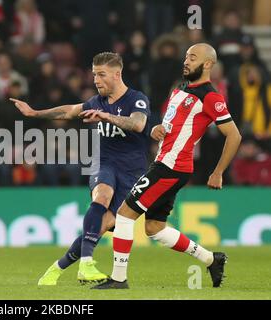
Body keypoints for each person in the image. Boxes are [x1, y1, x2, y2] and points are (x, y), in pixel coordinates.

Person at [92, 43, 242, 290]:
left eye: (192, 58)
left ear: (207, 64)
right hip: (165, 163)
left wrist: (218, 172)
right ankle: (211, 259)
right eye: (186, 56)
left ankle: (119, 279)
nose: (186, 61)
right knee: (154, 228)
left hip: (172, 167)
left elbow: (234, 135)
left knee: (124, 214)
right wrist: (155, 128)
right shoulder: (180, 89)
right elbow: (171, 125)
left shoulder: (211, 97)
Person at [10, 52, 151, 285]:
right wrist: (35, 113)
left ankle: (56, 269)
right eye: (94, 74)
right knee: (102, 195)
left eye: (101, 75)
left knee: (102, 225)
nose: (96, 80)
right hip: (104, 162)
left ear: (117, 75)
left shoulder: (136, 99)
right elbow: (69, 111)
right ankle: (86, 263)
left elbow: (137, 123)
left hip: (132, 172)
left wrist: (105, 117)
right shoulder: (96, 101)